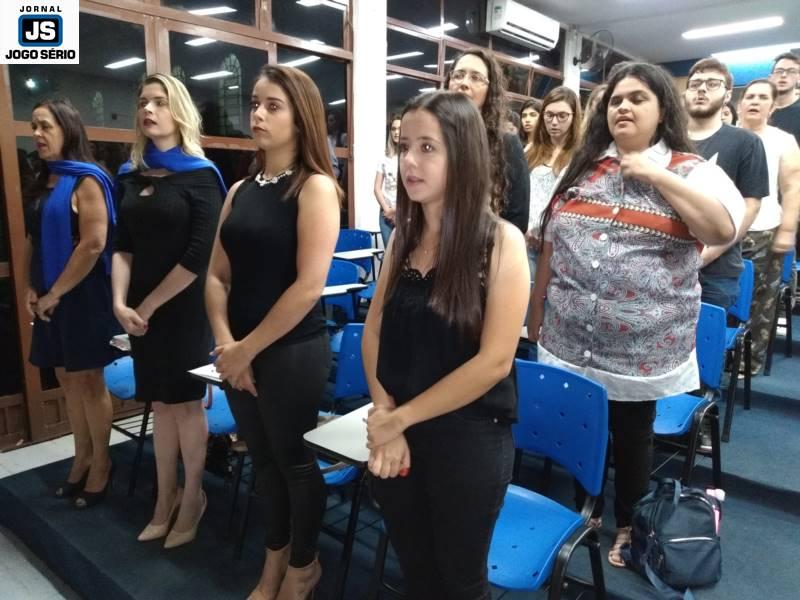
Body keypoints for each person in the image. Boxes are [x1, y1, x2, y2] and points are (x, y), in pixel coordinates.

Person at [528, 62, 743, 568]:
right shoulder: (583, 167)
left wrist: (653, 173)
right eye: (615, 100)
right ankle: (587, 511)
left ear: (663, 109)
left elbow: (720, 230)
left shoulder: (693, 170)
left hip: (641, 346)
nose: (623, 106)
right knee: (582, 423)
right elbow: (550, 242)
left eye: (637, 98)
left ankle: (629, 522)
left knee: (631, 434)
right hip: (568, 331)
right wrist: (535, 309)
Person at [363, 90, 529, 599]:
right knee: (416, 571)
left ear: (463, 155)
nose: (409, 162)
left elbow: (494, 362)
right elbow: (374, 332)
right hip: (398, 431)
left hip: (467, 440)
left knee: (460, 582)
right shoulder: (403, 239)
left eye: (427, 148)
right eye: (404, 147)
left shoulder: (500, 242)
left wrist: (399, 419)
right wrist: (385, 414)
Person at [205, 65, 340, 600]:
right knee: (261, 462)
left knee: (294, 463)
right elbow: (216, 276)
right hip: (237, 350)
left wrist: (246, 351)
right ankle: (274, 560)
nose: (257, 114)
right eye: (255, 103)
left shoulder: (315, 188)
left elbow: (309, 287)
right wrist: (227, 344)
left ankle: (303, 566)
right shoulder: (239, 189)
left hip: (290, 351)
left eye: (272, 106)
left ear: (300, 118)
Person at [112, 73, 226, 547]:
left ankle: (194, 496)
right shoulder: (130, 174)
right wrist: (119, 303)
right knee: (159, 403)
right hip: (140, 312)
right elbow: (122, 245)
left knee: (185, 403)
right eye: (143, 102)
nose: (148, 109)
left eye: (159, 102)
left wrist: (147, 305)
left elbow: (200, 255)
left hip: (183, 309)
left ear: (178, 111)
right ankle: (165, 497)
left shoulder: (202, 175)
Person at [23, 99, 117, 508]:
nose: (37, 134)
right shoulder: (44, 180)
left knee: (89, 381)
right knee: (66, 380)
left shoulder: (88, 180)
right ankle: (82, 456)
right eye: (34, 126)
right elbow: (32, 240)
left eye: (45, 126)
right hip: (48, 295)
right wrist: (30, 287)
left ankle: (102, 463)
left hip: (82, 297)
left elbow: (94, 244)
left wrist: (54, 293)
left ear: (68, 128)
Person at [684, 58, 769, 310]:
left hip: (715, 272)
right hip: (665, 265)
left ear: (728, 94)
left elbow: (750, 207)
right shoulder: (666, 140)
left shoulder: (746, 142)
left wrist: (706, 255)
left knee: (705, 335)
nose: (702, 89)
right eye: (695, 84)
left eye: (712, 83)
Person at [737, 78, 800, 373]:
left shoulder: (783, 140)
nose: (754, 101)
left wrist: (788, 229)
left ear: (772, 107)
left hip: (764, 229)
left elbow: (792, 187)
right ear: (740, 103)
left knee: (759, 300)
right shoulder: (728, 134)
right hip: (723, 227)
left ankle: (748, 362)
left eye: (763, 97)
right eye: (750, 96)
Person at [446, 47, 530, 234]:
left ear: (489, 90)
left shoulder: (506, 141)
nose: (464, 83)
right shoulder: (437, 134)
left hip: (485, 244)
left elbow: (518, 218)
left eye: (475, 77)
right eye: (458, 75)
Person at [525, 86, 582, 277]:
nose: (554, 122)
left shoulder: (580, 156)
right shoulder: (531, 150)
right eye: (549, 115)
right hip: (525, 239)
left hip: (556, 245)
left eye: (562, 116)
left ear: (574, 117)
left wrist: (545, 232)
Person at [373, 115, 401, 246]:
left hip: (404, 213)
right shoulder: (384, 158)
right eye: (393, 129)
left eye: (400, 129)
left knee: (403, 254)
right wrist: (387, 210)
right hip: (386, 215)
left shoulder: (409, 157)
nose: (396, 132)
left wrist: (396, 211)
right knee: (390, 254)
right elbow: (376, 188)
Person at [769, 52, 800, 144]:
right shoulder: (761, 109)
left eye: (791, 71)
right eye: (779, 71)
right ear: (771, 77)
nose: (784, 75)